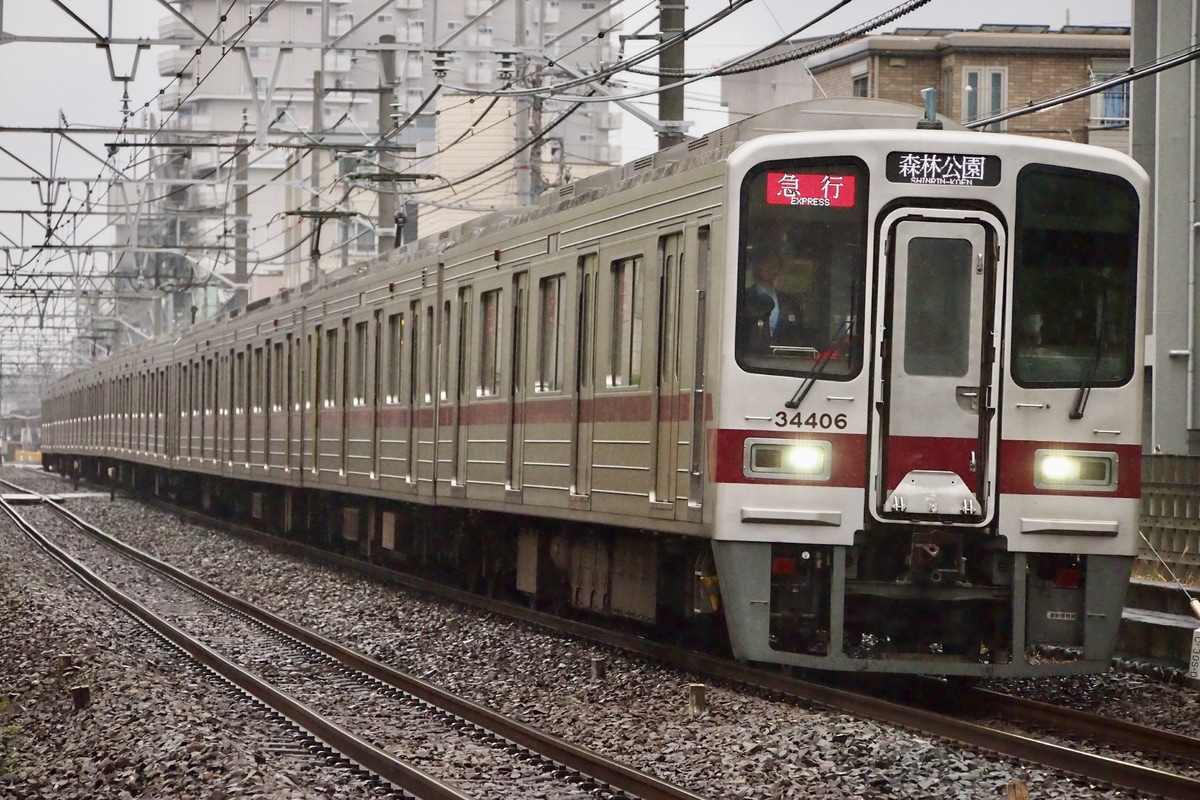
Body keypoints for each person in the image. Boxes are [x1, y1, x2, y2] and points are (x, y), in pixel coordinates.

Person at [741, 250, 804, 352]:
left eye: (775, 265)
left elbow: (797, 334)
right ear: (757, 267)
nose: (772, 269)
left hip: (783, 358)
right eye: (767, 264)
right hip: (752, 356)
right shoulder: (744, 297)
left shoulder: (789, 302)